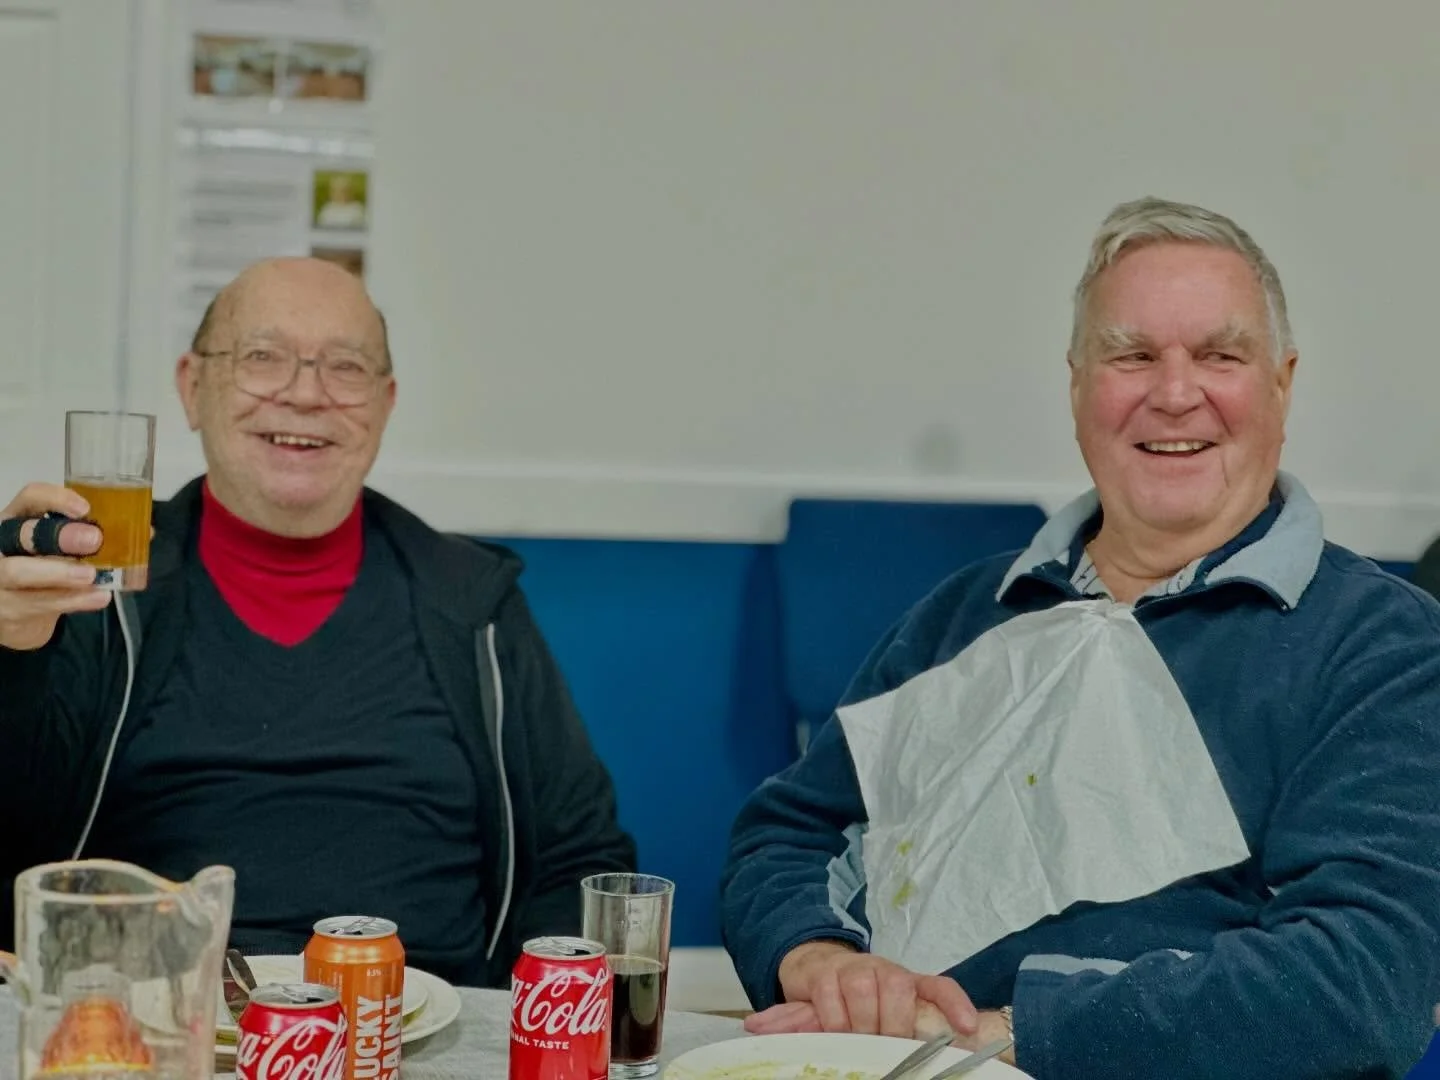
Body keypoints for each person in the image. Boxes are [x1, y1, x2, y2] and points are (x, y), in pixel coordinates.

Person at [720, 197, 1440, 1078]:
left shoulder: (1384, 647)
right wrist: (818, 957)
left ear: (1281, 384)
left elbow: (1359, 985)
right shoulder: (965, 615)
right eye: (1132, 356)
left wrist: (1000, 1035)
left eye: (1219, 355)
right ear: (1077, 387)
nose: (1174, 394)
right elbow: (789, 832)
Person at [0, 257, 636, 987]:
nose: (305, 394)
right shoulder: (87, 590)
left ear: (385, 404)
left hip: (434, 1023)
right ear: (192, 387)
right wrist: (9, 656)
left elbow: (578, 857)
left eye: (346, 367)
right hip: (145, 1021)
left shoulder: (473, 604)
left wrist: (533, 1023)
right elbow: (16, 843)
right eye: (262, 357)